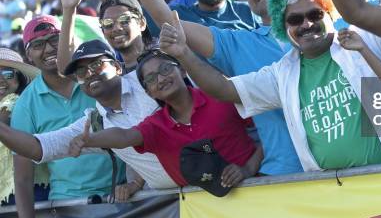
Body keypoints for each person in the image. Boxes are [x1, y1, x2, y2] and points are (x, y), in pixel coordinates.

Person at [157, 0, 381, 172]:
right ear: (283, 28)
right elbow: (225, 89)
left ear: (329, 14)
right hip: (335, 198)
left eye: (315, 15)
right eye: (295, 20)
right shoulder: (282, 74)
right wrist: (183, 54)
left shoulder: (361, 41)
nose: (306, 24)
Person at [123, 0, 303, 176]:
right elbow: (168, 20)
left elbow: (362, 75)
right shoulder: (239, 43)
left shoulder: (320, 29)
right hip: (282, 171)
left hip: (341, 165)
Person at [0, 40, 178, 202]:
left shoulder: (146, 83)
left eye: (97, 64)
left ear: (117, 67)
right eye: (81, 72)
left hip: (201, 186)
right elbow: (38, 147)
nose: (90, 73)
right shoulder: (95, 123)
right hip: (176, 204)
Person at [68, 47, 263, 190]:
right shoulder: (157, 125)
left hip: (261, 192)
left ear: (183, 70)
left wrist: (247, 169)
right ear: (149, 92)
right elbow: (125, 136)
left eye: (165, 70)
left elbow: (271, 132)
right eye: (151, 79)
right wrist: (91, 140)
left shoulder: (220, 97)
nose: (161, 79)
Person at [10, 16, 116, 218]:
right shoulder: (26, 103)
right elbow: (22, 178)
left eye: (55, 40)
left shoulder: (94, 80)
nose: (48, 49)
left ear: (69, 41)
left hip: (125, 199)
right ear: (29, 55)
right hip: (67, 208)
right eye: (37, 45)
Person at [55, 0, 150, 75]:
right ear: (103, 32)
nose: (116, 28)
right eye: (108, 23)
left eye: (124, 20)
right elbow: (65, 69)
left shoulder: (165, 56)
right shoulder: (110, 72)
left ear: (142, 23)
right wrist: (69, 9)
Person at [0, 48, 44, 205]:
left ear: (19, 79)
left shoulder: (15, 101)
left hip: (22, 187)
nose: (1, 80)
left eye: (7, 74)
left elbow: (2, 123)